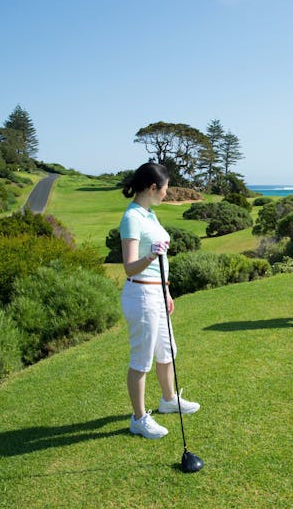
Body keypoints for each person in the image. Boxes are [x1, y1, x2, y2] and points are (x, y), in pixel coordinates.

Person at [119, 162, 200, 439]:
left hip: (156, 291)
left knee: (167, 350)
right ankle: (138, 419)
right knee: (142, 360)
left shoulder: (150, 215)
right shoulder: (132, 218)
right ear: (153, 188)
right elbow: (129, 266)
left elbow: (159, 262)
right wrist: (150, 255)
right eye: (165, 189)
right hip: (140, 293)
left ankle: (168, 400)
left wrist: (166, 291)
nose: (167, 193)